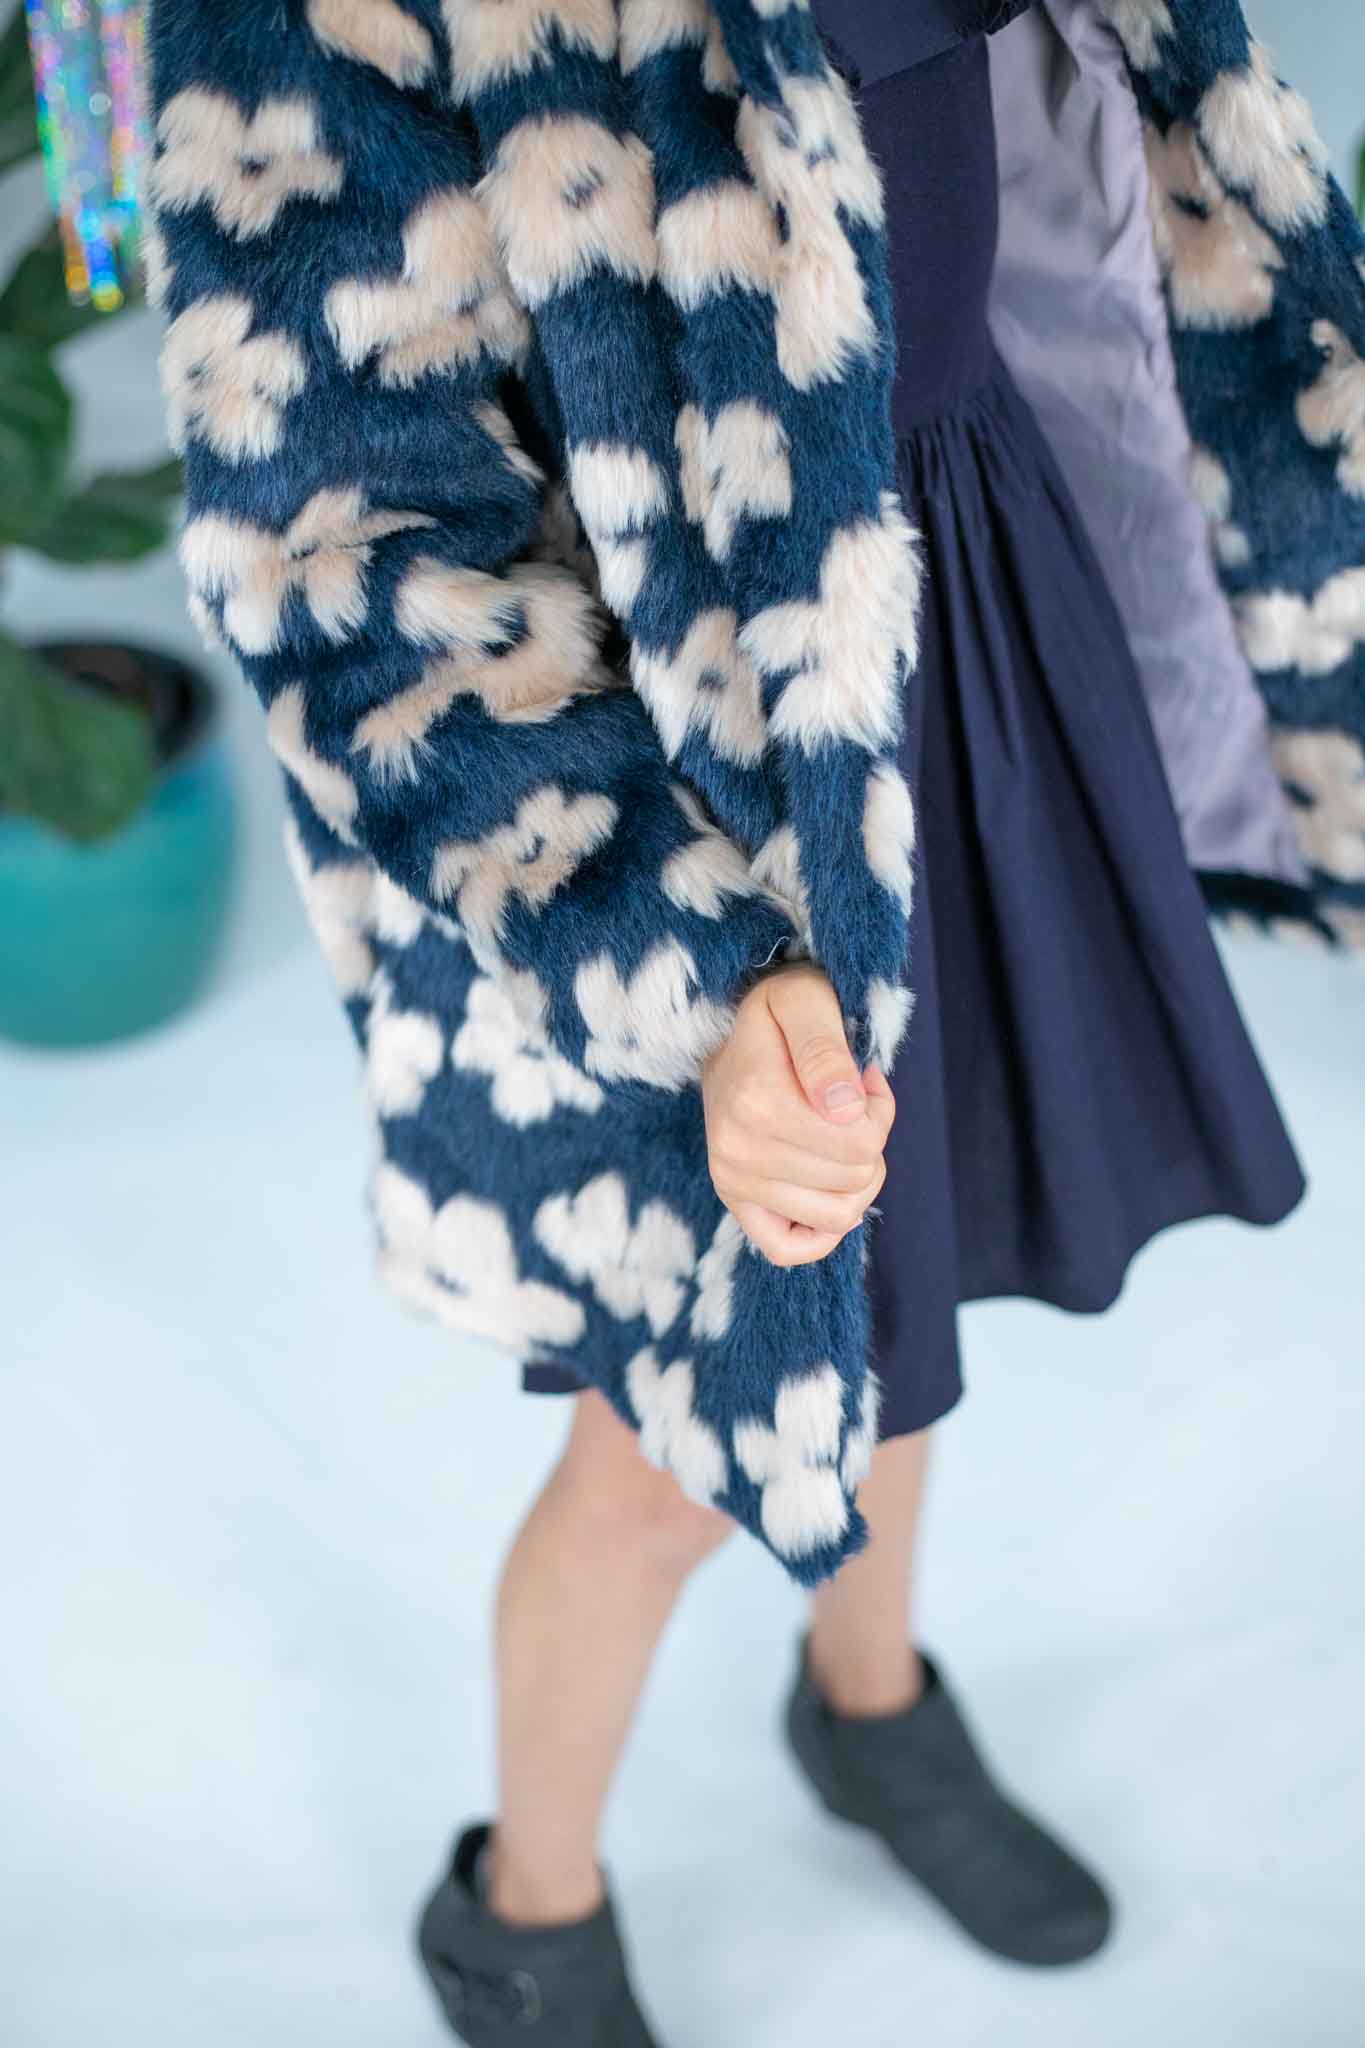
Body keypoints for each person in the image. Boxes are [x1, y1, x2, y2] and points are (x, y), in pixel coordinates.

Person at [147, 0, 1360, 2040]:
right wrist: (685, 962)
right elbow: (335, 522)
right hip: (652, 797)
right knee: (660, 1452)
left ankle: (863, 1705)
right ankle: (526, 1907)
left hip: (949, 623)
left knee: (915, 1271)